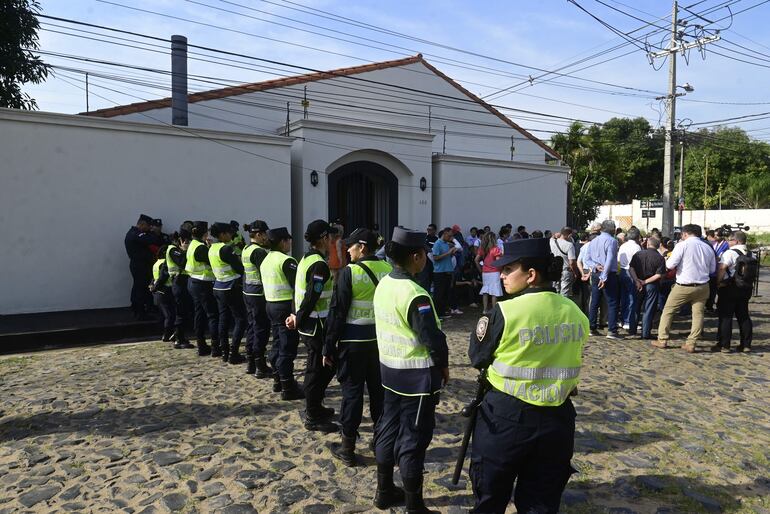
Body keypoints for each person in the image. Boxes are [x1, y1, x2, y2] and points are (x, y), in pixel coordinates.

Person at [467, 238, 588, 514]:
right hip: (557, 418)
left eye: (509, 269)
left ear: (531, 275)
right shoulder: (575, 312)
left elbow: (478, 358)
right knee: (541, 503)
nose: (502, 275)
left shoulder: (504, 312)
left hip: (506, 418)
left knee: (490, 497)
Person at [372, 227, 449, 514]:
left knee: (387, 429)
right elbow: (432, 339)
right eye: (425, 253)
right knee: (413, 440)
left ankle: (383, 491)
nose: (426, 257)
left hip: (389, 372)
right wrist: (443, 366)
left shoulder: (385, 284)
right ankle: (414, 506)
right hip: (416, 379)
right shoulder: (415, 294)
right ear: (416, 256)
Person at [324, 228, 392, 466]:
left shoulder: (349, 273)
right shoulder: (388, 270)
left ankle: (348, 448)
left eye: (351, 247)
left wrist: (328, 346)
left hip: (353, 344)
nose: (347, 250)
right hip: (380, 344)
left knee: (352, 395)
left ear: (362, 248)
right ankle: (381, 442)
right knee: (379, 395)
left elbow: (337, 312)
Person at [287, 220, 337, 433]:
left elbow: (297, 290)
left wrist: (295, 314)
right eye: (330, 237)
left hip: (309, 321)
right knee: (317, 369)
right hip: (315, 323)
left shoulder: (305, 259)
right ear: (324, 238)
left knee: (323, 367)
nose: (332, 240)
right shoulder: (319, 265)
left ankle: (316, 406)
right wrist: (298, 316)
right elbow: (311, 295)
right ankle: (312, 414)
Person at [653, 224, 716, 353]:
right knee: (698, 314)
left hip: (684, 285)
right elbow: (712, 269)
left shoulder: (682, 245)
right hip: (703, 285)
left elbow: (670, 265)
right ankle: (691, 342)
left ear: (685, 234)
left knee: (668, 311)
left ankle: (662, 339)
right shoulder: (708, 247)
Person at [260, 227, 303, 400]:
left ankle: (278, 380)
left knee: (277, 343)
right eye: (288, 240)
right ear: (282, 242)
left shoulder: (266, 259)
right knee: (287, 347)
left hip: (270, 304)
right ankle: (288, 387)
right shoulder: (286, 260)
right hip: (284, 307)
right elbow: (297, 286)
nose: (290, 243)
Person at [209, 222, 248, 364]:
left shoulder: (212, 248)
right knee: (240, 319)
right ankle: (233, 352)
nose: (231, 235)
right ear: (222, 234)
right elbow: (239, 268)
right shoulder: (225, 249)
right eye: (228, 233)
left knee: (223, 319)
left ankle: (224, 351)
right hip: (230, 286)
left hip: (218, 286)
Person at [241, 220, 275, 378]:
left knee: (252, 327)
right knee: (261, 329)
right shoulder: (259, 252)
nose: (267, 237)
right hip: (259, 294)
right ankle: (260, 365)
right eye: (265, 234)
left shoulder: (246, 249)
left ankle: (251, 362)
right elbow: (266, 273)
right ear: (259, 234)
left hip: (248, 292)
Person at [713, 231, 754, 353]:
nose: (728, 242)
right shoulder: (752, 254)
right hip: (746, 288)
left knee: (726, 316)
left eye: (730, 240)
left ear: (736, 241)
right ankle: (746, 344)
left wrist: (718, 283)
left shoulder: (730, 253)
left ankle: (724, 345)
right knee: (744, 316)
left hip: (730, 287)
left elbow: (722, 268)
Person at [584, 220, 622, 339]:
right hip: (608, 274)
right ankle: (612, 330)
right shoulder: (612, 241)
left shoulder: (593, 241)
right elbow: (610, 259)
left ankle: (592, 327)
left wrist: (595, 266)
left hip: (596, 273)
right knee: (612, 302)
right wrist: (604, 276)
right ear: (611, 229)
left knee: (595, 301)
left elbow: (587, 259)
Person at [185, 221, 218, 356]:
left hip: (193, 281)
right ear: (205, 234)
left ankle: (201, 344)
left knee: (199, 314)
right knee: (212, 315)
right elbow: (212, 262)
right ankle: (216, 346)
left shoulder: (192, 245)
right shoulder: (202, 248)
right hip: (203, 283)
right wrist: (211, 248)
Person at [628, 236, 666, 339]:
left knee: (635, 306)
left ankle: (632, 330)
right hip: (651, 285)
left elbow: (631, 268)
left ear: (648, 244)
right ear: (658, 246)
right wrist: (645, 282)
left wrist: (637, 281)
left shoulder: (638, 254)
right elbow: (659, 275)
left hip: (638, 283)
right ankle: (645, 333)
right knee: (648, 309)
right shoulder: (660, 258)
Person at [166, 228, 194, 349]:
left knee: (184, 311)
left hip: (183, 281)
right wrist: (184, 251)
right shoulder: (173, 250)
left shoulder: (175, 249)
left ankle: (177, 334)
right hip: (178, 282)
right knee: (180, 311)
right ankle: (179, 339)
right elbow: (182, 263)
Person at [125, 214, 157, 320]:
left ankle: (141, 309)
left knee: (141, 287)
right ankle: (139, 311)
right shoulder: (135, 234)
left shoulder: (136, 233)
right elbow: (151, 240)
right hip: (139, 265)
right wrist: (153, 232)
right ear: (142, 224)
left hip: (141, 265)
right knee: (140, 288)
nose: (150, 228)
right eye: (148, 226)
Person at [618, 227, 643, 332]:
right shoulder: (637, 247)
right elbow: (638, 262)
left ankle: (623, 319)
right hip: (631, 272)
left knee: (624, 297)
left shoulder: (623, 245)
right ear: (637, 236)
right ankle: (628, 321)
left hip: (623, 271)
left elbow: (618, 259)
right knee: (632, 298)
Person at [150, 245, 176, 342]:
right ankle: (167, 334)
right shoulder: (164, 263)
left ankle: (166, 333)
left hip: (158, 293)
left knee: (164, 315)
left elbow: (154, 278)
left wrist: (153, 286)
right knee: (170, 315)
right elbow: (163, 277)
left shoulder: (156, 264)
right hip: (165, 290)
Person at [432, 227, 457, 319]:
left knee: (445, 293)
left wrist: (452, 253)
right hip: (439, 272)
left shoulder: (447, 244)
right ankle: (437, 314)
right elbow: (435, 258)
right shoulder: (437, 244)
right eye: (449, 236)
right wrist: (448, 253)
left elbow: (447, 256)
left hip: (447, 271)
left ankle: (442, 312)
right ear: (445, 233)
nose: (450, 238)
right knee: (439, 294)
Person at [476, 232, 502, 315]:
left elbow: (476, 260)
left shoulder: (482, 249)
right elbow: (498, 262)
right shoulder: (496, 249)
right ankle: (494, 310)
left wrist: (481, 270)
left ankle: (485, 310)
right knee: (494, 291)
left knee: (485, 291)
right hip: (495, 272)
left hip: (485, 272)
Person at [550, 227, 578, 301]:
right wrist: (575, 272)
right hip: (566, 270)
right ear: (569, 235)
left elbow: (552, 237)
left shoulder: (552, 241)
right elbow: (572, 262)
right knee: (565, 293)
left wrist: (555, 235)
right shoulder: (569, 245)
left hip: (554, 270)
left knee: (555, 291)